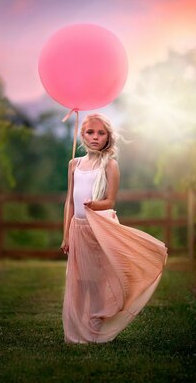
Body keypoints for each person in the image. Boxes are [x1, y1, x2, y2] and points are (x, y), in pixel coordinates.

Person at [61, 113, 168, 344]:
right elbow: (69, 201)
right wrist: (66, 236)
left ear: (108, 137)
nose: (95, 137)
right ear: (82, 135)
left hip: (99, 228)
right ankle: (79, 327)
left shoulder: (109, 165)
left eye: (101, 133)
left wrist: (94, 204)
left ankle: (96, 328)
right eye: (90, 132)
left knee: (98, 278)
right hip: (77, 229)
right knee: (80, 280)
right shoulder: (74, 164)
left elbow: (110, 200)